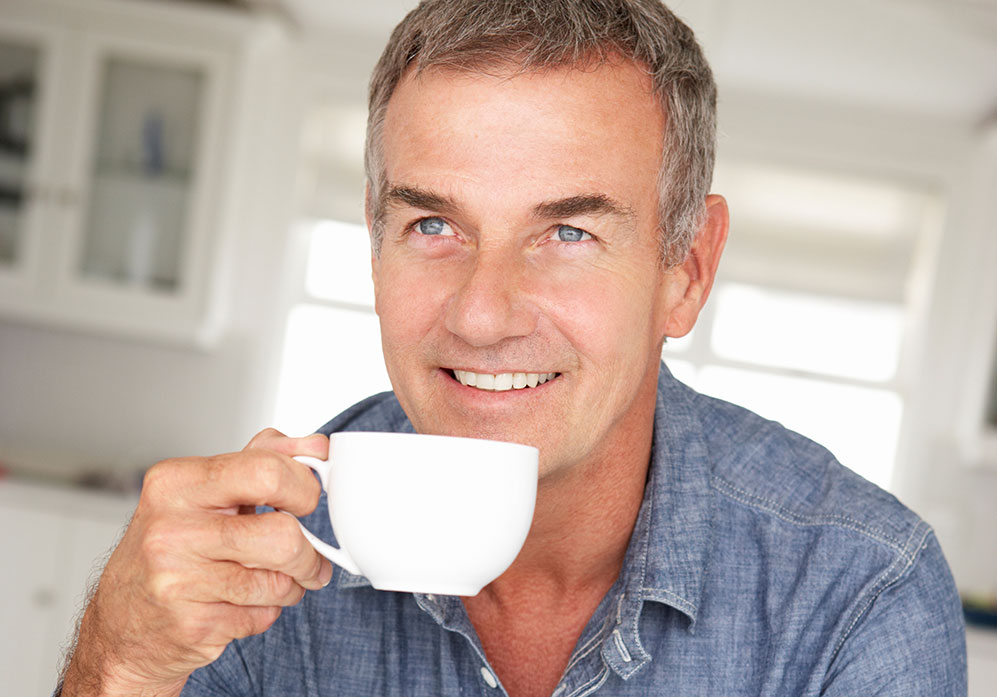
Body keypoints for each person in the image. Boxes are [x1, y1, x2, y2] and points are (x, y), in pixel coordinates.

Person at [58, 1, 968, 695]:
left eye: (567, 232)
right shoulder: (251, 567)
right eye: (432, 224)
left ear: (685, 270)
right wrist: (120, 659)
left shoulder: (858, 594)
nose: (483, 314)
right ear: (373, 249)